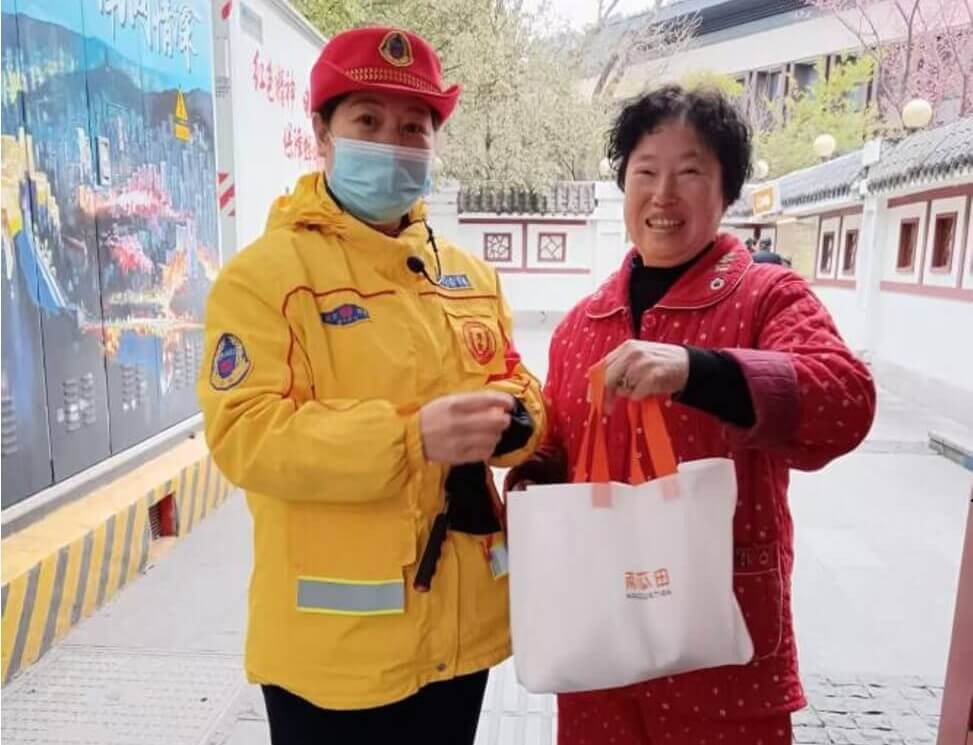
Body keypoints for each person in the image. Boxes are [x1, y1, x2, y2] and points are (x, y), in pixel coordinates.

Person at [197, 27, 546, 745]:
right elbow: (246, 435)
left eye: (414, 127)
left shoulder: (469, 277)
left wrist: (516, 421)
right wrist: (411, 437)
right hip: (333, 657)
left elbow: (519, 385)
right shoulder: (264, 279)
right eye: (368, 121)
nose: (393, 143)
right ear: (322, 135)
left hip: (462, 638)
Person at [507, 85, 876, 745]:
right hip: (596, 643)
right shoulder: (581, 325)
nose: (662, 195)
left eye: (689, 173)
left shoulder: (767, 297)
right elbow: (558, 450)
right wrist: (523, 470)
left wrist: (697, 370)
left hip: (723, 647)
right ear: (622, 184)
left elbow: (845, 399)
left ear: (726, 190)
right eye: (645, 172)